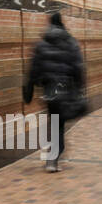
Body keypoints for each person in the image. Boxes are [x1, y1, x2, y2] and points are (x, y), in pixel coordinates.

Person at [23, 12, 86, 172]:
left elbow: (33, 70)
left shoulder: (41, 44)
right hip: (66, 91)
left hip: (50, 92)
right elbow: (78, 68)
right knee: (59, 125)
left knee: (55, 124)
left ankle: (53, 157)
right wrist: (79, 88)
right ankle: (53, 157)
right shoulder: (71, 43)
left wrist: (29, 90)